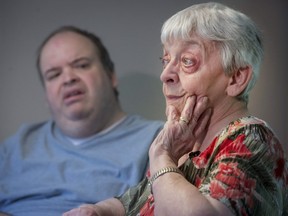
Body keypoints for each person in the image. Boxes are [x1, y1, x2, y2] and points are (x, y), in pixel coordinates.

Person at [63, 2, 288, 216]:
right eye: (166, 60)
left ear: (236, 78)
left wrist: (160, 156)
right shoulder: (186, 146)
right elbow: (133, 201)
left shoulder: (251, 137)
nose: (165, 75)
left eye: (187, 61)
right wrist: (98, 210)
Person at [0, 26, 164, 216]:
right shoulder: (16, 147)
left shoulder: (157, 141)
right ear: (46, 94)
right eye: (54, 74)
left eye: (82, 65)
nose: (68, 78)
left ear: (111, 76)